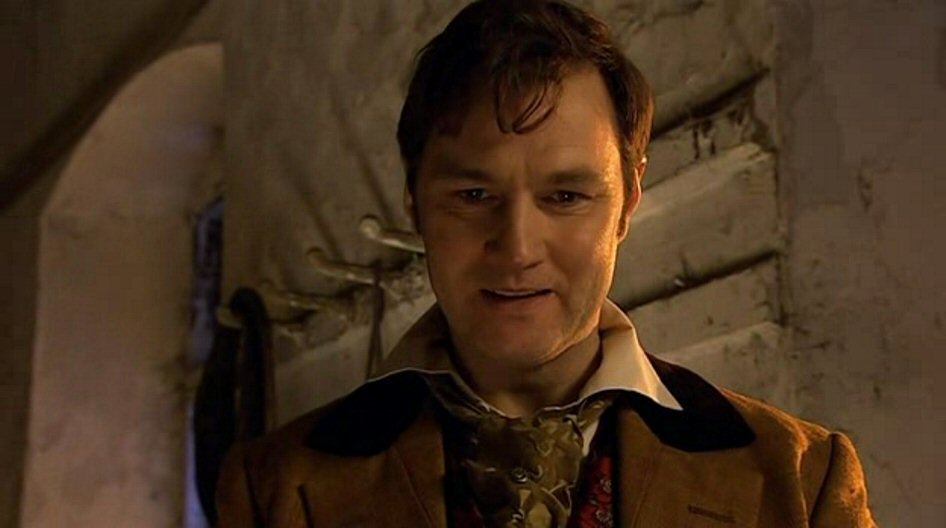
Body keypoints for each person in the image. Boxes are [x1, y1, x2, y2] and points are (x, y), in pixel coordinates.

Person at [216, 0, 876, 526]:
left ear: (627, 202)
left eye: (565, 196)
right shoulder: (274, 489)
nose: (518, 248)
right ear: (414, 204)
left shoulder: (799, 480)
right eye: (473, 196)